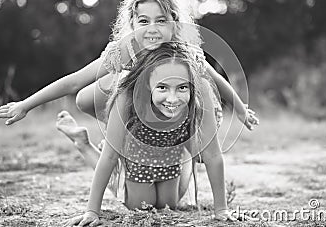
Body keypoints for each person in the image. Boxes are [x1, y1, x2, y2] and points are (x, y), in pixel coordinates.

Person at [0, 0, 258, 131]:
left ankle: (175, 147)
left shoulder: (183, 48)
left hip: (184, 110)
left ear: (175, 22)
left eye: (161, 20)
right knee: (86, 97)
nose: (152, 29)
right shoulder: (127, 48)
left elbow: (215, 78)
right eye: (144, 21)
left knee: (195, 147)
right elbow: (74, 81)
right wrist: (25, 105)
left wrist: (241, 109)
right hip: (144, 103)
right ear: (133, 22)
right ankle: (130, 134)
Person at [64, 42, 239, 226]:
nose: (173, 99)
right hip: (136, 156)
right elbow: (109, 157)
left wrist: (221, 209)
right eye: (162, 87)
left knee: (168, 205)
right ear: (147, 84)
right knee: (139, 206)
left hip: (171, 155)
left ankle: (187, 153)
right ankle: (83, 145)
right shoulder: (127, 96)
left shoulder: (200, 91)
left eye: (182, 88)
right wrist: (92, 211)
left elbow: (213, 155)